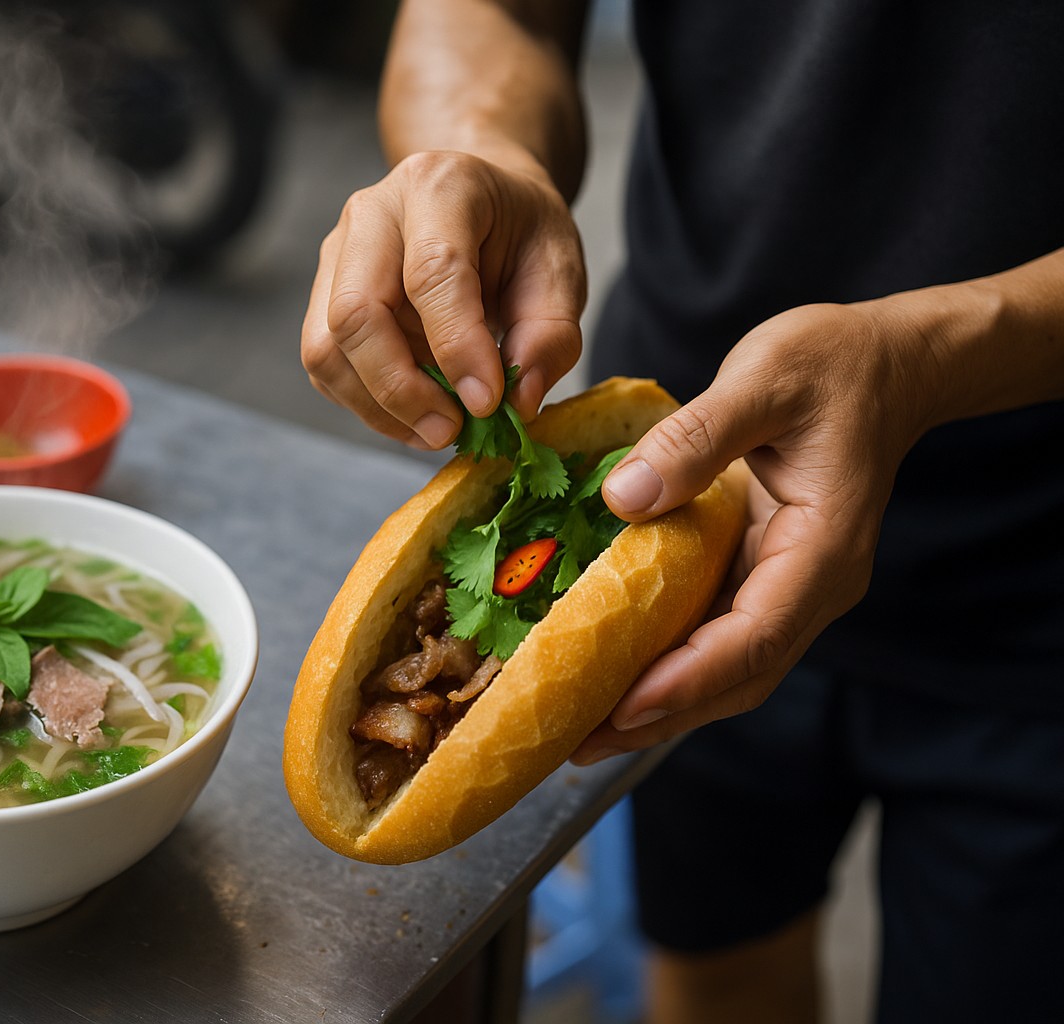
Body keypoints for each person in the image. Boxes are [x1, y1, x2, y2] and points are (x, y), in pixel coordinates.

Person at [299, 2, 1064, 1021]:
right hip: (687, 517)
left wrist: (923, 356)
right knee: (715, 968)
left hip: (1039, 587)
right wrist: (482, 155)